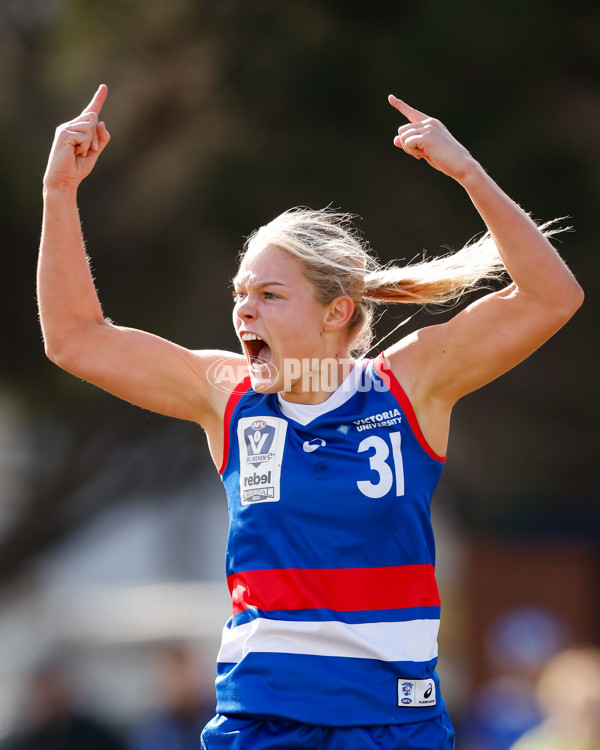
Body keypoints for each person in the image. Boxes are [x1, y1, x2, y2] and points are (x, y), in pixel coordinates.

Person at [37, 84, 583, 750]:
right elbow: (75, 339)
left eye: (269, 294)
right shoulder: (227, 395)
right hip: (263, 723)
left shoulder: (409, 386)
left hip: (394, 723)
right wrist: (59, 193)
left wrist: (467, 172)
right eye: (240, 294)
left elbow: (552, 297)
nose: (244, 311)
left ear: (337, 313)